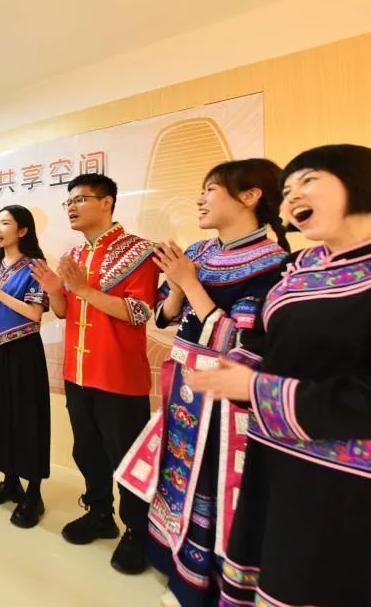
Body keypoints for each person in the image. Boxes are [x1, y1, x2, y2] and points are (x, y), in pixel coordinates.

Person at [188, 144, 371, 607]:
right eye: (287, 190)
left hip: (347, 477)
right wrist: (239, 372)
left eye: (308, 181)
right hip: (275, 453)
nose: (292, 197)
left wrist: (256, 387)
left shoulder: (274, 262)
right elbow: (265, 342)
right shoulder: (297, 267)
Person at [115, 160, 288, 606]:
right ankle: (174, 563)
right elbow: (166, 316)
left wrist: (190, 283)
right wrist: (177, 285)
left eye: (211, 189)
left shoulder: (274, 266)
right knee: (176, 478)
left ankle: (204, 584)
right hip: (184, 389)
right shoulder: (199, 251)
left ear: (250, 196)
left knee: (213, 486)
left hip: (226, 402)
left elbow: (242, 343)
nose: (200, 199)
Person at [30, 173, 160, 574]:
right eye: (68, 201)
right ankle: (100, 512)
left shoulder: (139, 251)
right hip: (78, 372)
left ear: (106, 202)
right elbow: (64, 313)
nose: (71, 207)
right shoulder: (74, 254)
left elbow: (139, 312)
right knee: (87, 450)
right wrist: (56, 290)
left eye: (80, 199)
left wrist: (85, 291)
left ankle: (138, 531)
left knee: (126, 456)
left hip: (118, 376)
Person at [0, 205, 51, 528]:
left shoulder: (36, 267)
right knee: (0, 414)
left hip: (24, 349)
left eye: (5, 222)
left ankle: (34, 493)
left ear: (22, 230)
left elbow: (35, 314)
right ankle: (10, 481)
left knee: (28, 418)